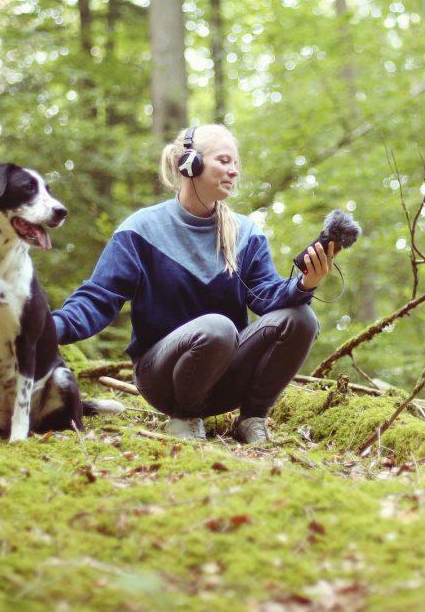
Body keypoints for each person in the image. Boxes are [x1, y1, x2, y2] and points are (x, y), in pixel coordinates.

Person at [51, 124, 335, 444]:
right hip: (162, 380)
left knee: (302, 317)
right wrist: (47, 329)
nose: (234, 171)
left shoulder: (246, 233)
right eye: (224, 161)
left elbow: (267, 297)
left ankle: (253, 418)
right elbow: (99, 297)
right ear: (191, 163)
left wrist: (304, 284)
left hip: (225, 382)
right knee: (218, 326)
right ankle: (185, 417)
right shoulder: (142, 229)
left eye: (236, 164)